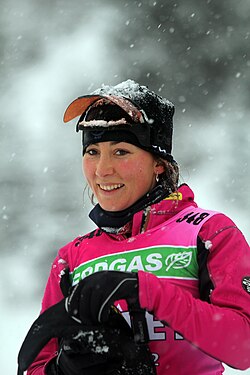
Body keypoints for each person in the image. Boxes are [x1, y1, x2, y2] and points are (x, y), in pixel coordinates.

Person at [18, 79, 250, 375]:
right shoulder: (71, 257)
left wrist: (147, 291)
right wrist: (63, 370)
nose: (103, 170)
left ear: (159, 163)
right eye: (92, 152)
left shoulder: (208, 232)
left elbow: (243, 347)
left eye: (121, 152)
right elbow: (34, 366)